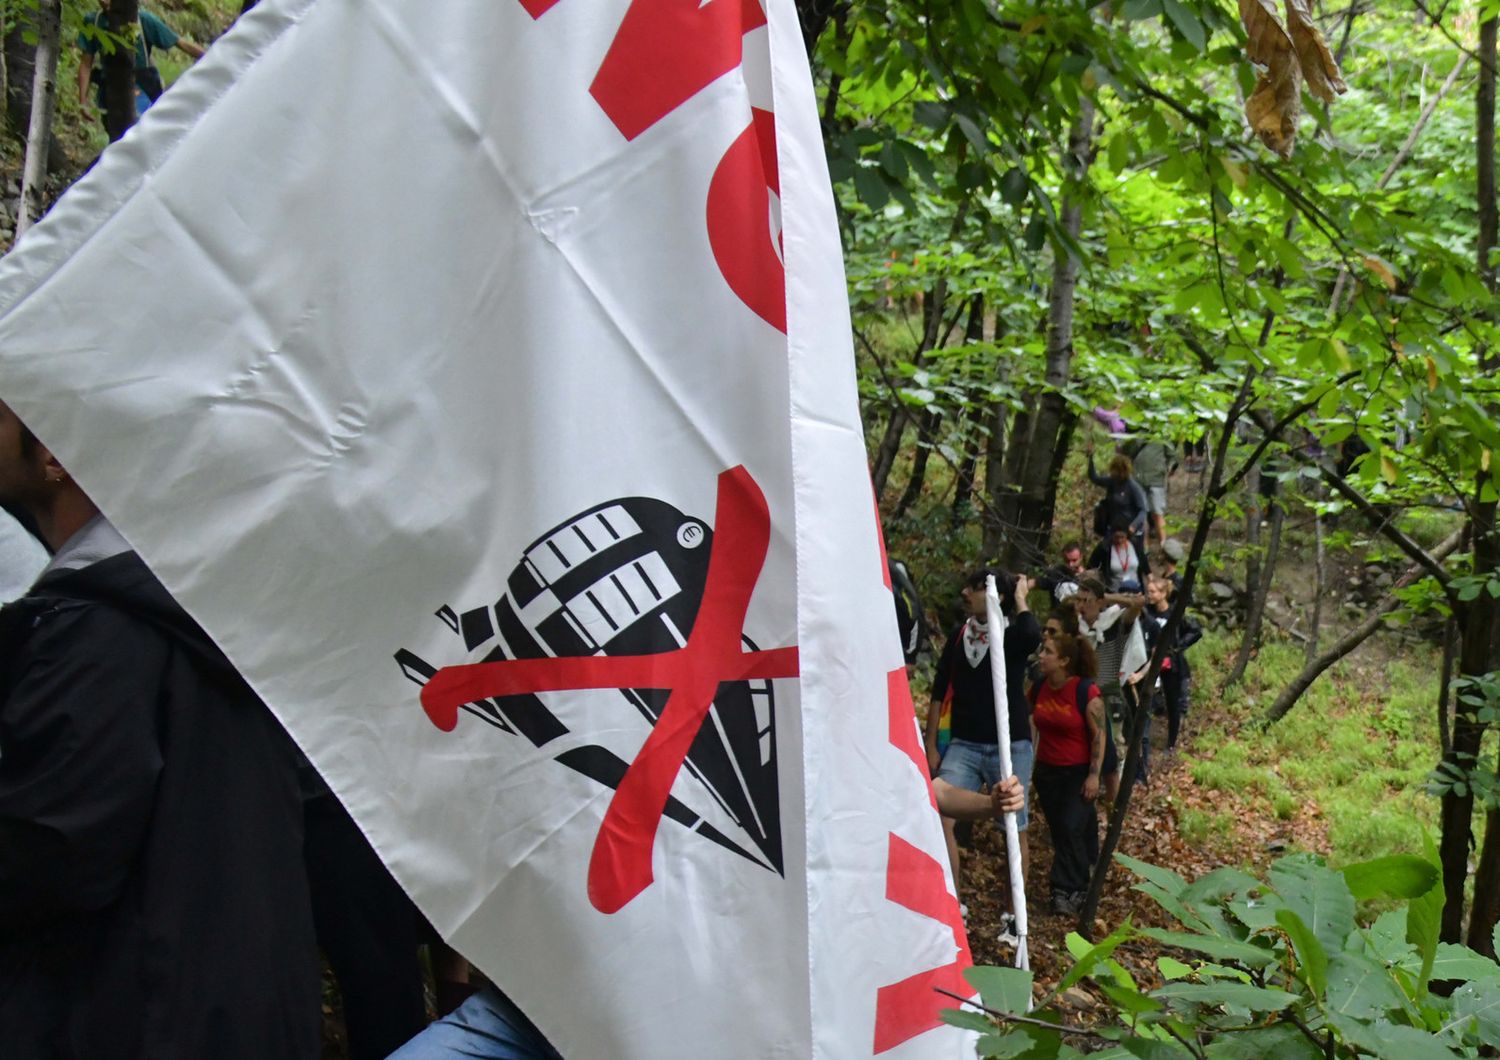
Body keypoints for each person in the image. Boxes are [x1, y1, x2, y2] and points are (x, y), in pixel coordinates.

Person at [0, 401, 319, 1057]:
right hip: (229, 1004)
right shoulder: (213, 608)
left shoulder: (97, 628)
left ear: (58, 455)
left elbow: (55, 849)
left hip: (128, 1015)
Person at [923, 569, 1039, 897]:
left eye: (973, 589)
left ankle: (1012, 915)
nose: (964, 593)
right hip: (964, 743)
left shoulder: (1011, 636)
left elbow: (1032, 635)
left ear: (992, 596)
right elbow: (939, 687)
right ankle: (952, 902)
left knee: (1014, 829)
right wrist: (931, 743)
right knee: (940, 814)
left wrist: (1019, 597)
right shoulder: (961, 635)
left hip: (1010, 744)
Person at [1028, 633, 1105, 916]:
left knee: (1072, 826)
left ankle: (1066, 887)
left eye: (1048, 652)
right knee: (1063, 830)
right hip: (1047, 772)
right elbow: (1030, 723)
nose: (1042, 656)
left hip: (1077, 772)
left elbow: (1099, 736)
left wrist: (1094, 776)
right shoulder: (1038, 688)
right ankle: (1080, 879)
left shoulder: (1086, 692)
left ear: (1064, 660)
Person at [1072, 576, 1147, 800]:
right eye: (1079, 600)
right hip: (1081, 692)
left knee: (1114, 748)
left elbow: (1138, 603)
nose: (1082, 606)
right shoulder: (1074, 626)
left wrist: (1107, 599)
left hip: (1108, 691)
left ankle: (1115, 800)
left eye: (1087, 600)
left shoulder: (1114, 622)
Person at [77, 2, 204, 121]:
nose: (105, 1)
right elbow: (86, 64)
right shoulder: (93, 22)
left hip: (142, 86)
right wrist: (83, 101)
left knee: (137, 124)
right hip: (109, 89)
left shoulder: (143, 20)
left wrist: (214, 55)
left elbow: (180, 43)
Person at [1141, 575, 1202, 752]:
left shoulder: (1174, 614)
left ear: (1163, 593)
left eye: (1152, 591)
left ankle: (1171, 742)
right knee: (1147, 700)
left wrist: (1179, 646)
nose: (1149, 595)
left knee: (1173, 703)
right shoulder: (1147, 613)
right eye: (1148, 591)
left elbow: (1195, 631)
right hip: (1150, 663)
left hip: (1171, 664)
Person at [1086, 450, 1148, 551]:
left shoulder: (1133, 487)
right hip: (1113, 529)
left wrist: (1133, 526)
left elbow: (1143, 510)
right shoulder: (1112, 481)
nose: (1115, 474)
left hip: (1129, 530)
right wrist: (1090, 459)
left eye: (1118, 471)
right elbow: (1094, 478)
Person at [1126, 439, 1175, 550]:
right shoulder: (1136, 432)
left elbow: (1171, 454)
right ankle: (1144, 547)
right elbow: (1126, 451)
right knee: (1142, 514)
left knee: (1158, 513)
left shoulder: (1161, 434)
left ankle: (1164, 546)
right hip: (1137, 479)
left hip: (1156, 479)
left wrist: (1171, 466)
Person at [1087, 516, 1149, 592]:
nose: (1119, 540)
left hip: (1135, 588)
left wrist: (1149, 577)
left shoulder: (1135, 544)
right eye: (1116, 537)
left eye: (1122, 537)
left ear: (1127, 534)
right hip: (1114, 590)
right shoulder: (1104, 547)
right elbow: (1091, 565)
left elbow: (1144, 561)